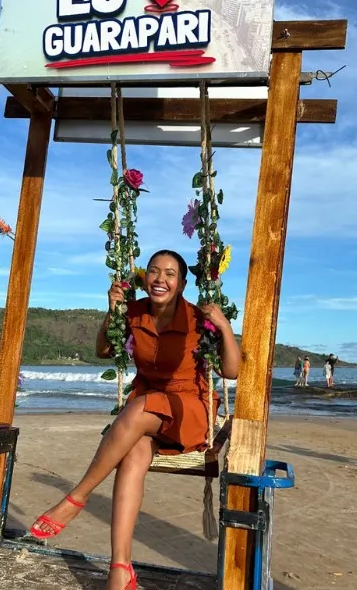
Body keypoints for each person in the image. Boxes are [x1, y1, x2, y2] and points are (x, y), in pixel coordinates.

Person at [29, 250, 240, 590]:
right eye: (154, 271)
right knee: (132, 456)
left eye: (170, 274)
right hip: (145, 414)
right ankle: (120, 569)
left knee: (139, 408)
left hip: (189, 410)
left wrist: (224, 326)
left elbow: (231, 371)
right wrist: (112, 310)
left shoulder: (197, 318)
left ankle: (77, 497)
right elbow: (103, 351)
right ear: (145, 278)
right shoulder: (134, 311)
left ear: (183, 283)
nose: (160, 279)